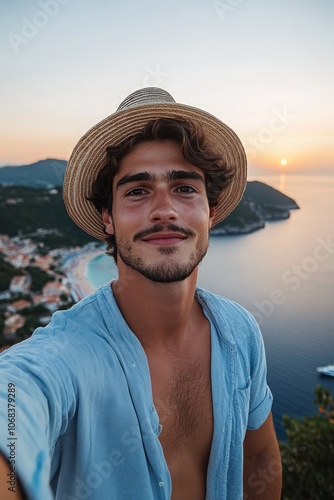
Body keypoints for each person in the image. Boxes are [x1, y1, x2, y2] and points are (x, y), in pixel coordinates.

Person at [0, 87, 282, 499]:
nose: (164, 209)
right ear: (108, 219)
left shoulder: (240, 332)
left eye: (185, 188)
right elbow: (14, 401)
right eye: (136, 191)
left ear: (211, 211)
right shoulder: (66, 356)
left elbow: (259, 459)